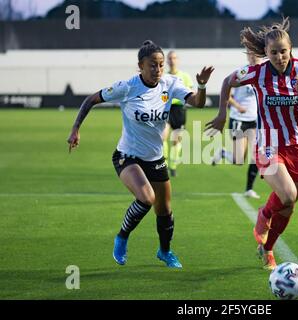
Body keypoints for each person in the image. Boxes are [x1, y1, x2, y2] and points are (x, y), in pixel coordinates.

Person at [67, 40, 214, 268]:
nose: (157, 70)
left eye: (161, 65)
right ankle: (122, 237)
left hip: (155, 158)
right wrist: (75, 128)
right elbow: (91, 100)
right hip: (127, 156)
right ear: (140, 66)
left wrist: (202, 86)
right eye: (152, 65)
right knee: (147, 198)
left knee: (165, 211)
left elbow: (198, 103)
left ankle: (164, 252)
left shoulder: (170, 83)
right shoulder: (127, 87)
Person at [206, 18, 298, 270]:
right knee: (288, 194)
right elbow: (228, 80)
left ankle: (267, 248)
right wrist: (221, 114)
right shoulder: (257, 73)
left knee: (290, 203)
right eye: (274, 52)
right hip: (268, 144)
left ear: (290, 48)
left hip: (296, 145)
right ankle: (263, 215)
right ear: (266, 54)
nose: (280, 56)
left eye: (283, 51)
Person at [211, 52, 263, 199]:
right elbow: (227, 91)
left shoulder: (264, 73)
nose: (254, 57)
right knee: (238, 160)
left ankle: (249, 189)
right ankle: (222, 153)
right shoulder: (242, 72)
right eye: (251, 55)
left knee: (256, 155)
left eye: (257, 55)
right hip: (239, 119)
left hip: (255, 121)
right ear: (247, 57)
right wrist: (237, 105)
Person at [162, 51, 194, 177]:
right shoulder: (164, 77)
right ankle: (163, 164)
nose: (172, 60)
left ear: (178, 60)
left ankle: (173, 165)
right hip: (167, 109)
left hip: (180, 110)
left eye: (174, 58)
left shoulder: (184, 76)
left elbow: (191, 91)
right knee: (162, 137)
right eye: (170, 58)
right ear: (167, 61)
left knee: (176, 141)